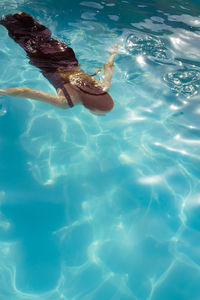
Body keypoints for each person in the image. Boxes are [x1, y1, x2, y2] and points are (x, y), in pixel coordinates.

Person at [0, 12, 119, 115]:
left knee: (43, 36)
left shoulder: (103, 87)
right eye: (101, 113)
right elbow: (25, 91)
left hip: (66, 54)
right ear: (90, 107)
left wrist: (112, 54)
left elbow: (108, 67)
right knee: (19, 33)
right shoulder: (66, 102)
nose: (102, 115)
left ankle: (25, 19)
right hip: (45, 62)